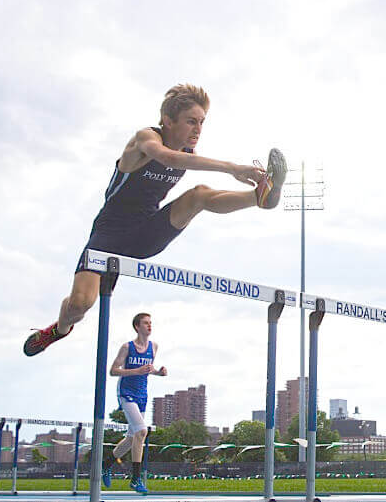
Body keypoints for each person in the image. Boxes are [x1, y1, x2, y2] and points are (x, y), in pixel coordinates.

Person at [23, 83, 287, 357]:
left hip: (146, 233)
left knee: (198, 196)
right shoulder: (144, 140)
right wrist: (232, 167)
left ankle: (258, 197)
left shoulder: (188, 154)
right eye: (190, 122)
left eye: (201, 122)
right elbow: (166, 157)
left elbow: (180, 162)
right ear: (168, 121)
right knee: (80, 305)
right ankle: (58, 330)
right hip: (109, 234)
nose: (198, 130)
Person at [102, 312, 165, 493]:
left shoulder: (154, 347)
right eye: (146, 323)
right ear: (137, 326)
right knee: (142, 431)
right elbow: (113, 371)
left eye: (151, 323)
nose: (149, 326)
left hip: (142, 395)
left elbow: (148, 369)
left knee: (132, 438)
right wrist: (136, 371)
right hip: (126, 393)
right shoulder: (127, 347)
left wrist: (158, 372)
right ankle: (136, 479)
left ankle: (106, 465)